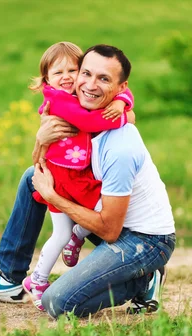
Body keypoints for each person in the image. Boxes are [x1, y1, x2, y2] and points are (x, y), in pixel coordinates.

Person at [0, 44, 176, 317]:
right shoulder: (73, 107)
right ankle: (10, 279)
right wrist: (41, 140)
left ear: (121, 88)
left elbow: (110, 230)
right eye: (86, 74)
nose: (89, 84)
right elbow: (49, 163)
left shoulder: (117, 143)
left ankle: (143, 280)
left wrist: (53, 197)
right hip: (109, 217)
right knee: (31, 178)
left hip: (143, 239)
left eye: (104, 79)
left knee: (57, 304)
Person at [22, 42, 135, 311]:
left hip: (76, 175)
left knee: (72, 225)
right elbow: (89, 122)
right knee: (93, 214)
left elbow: (123, 90)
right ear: (46, 79)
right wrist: (123, 117)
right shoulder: (59, 100)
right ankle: (38, 280)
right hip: (63, 179)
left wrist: (122, 101)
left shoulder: (79, 93)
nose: (67, 77)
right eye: (57, 72)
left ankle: (75, 236)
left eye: (73, 69)